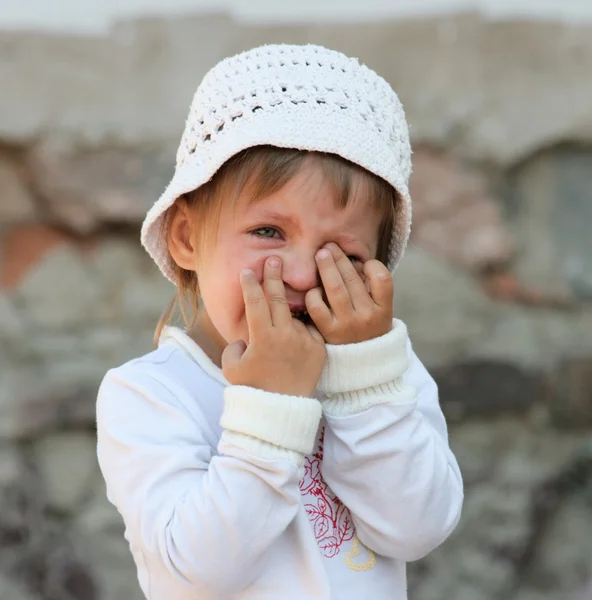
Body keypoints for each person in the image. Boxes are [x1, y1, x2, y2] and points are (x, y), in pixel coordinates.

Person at [96, 43, 463, 600]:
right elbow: (194, 577)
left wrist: (365, 381)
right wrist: (269, 408)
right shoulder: (151, 394)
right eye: (268, 232)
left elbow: (417, 529)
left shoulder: (383, 374)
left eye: (340, 251)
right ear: (188, 238)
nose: (297, 273)